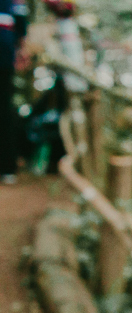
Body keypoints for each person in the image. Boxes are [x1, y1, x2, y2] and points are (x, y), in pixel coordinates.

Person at [0, 0, 28, 183]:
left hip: (4, 60)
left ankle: (7, 166)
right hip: (5, 57)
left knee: (4, 110)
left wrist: (21, 50)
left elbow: (21, 26)